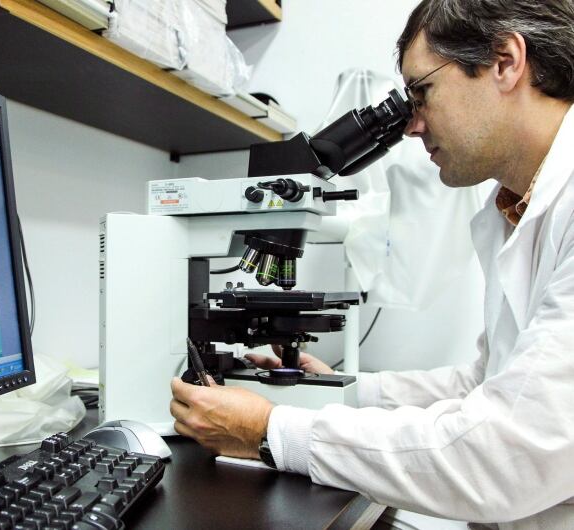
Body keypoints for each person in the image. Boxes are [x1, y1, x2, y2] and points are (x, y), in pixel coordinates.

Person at [169, 1, 574, 528]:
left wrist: (269, 431)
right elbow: (484, 382)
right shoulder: (513, 207)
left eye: (421, 92)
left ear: (504, 61)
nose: (411, 125)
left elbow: (504, 455)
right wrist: (340, 390)